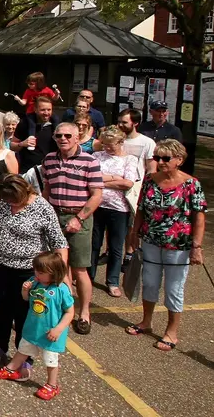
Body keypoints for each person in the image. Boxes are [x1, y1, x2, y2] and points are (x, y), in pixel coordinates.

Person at [125, 139, 206, 353]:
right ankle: (146, 321)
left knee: (174, 289)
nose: (160, 162)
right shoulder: (150, 180)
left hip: (178, 245)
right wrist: (134, 233)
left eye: (166, 158)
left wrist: (197, 246)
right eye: (157, 157)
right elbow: (141, 208)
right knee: (150, 283)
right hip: (151, 241)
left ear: (179, 160)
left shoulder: (191, 184)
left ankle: (172, 331)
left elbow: (199, 217)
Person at [0, 174, 69, 370]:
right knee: (2, 309)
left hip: (29, 270)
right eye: (7, 200)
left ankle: (25, 353)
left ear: (25, 192)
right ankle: (0, 346)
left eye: (14, 201)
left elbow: (59, 243)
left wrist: (60, 275)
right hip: (1, 264)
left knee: (25, 313)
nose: (9, 204)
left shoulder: (42, 208)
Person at [41, 122, 103, 335]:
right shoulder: (49, 159)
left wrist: (79, 218)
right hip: (55, 214)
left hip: (80, 216)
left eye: (68, 135)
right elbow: (47, 189)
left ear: (78, 138)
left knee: (79, 268)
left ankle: (84, 312)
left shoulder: (90, 161)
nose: (63, 139)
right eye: (59, 135)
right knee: (59, 266)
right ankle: (67, 309)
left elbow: (96, 195)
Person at [0, 252, 74, 401]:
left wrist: (58, 329)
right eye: (35, 270)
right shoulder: (34, 282)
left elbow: (70, 312)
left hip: (50, 334)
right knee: (23, 350)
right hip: (33, 328)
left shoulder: (61, 290)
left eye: (41, 272)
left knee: (50, 359)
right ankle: (11, 368)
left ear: (54, 273)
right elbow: (26, 299)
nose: (36, 273)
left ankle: (52, 384)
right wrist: (25, 290)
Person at [89, 126, 140, 298]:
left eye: (112, 145)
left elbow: (128, 183)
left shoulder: (130, 160)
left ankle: (112, 281)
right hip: (97, 205)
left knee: (116, 247)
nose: (108, 148)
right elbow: (91, 178)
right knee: (94, 244)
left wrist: (103, 180)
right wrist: (115, 179)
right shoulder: (96, 156)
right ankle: (89, 276)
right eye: (105, 144)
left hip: (119, 209)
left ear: (121, 142)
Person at [13, 96, 57, 176]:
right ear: (35, 109)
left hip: (50, 170)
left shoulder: (57, 126)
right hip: (28, 171)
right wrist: (22, 144)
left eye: (49, 110)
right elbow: (12, 145)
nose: (46, 113)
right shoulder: (25, 124)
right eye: (43, 110)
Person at [117, 109, 158, 174]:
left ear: (135, 123)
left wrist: (146, 183)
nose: (120, 125)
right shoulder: (114, 140)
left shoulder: (147, 142)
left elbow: (151, 170)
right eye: (119, 122)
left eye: (124, 122)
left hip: (137, 182)